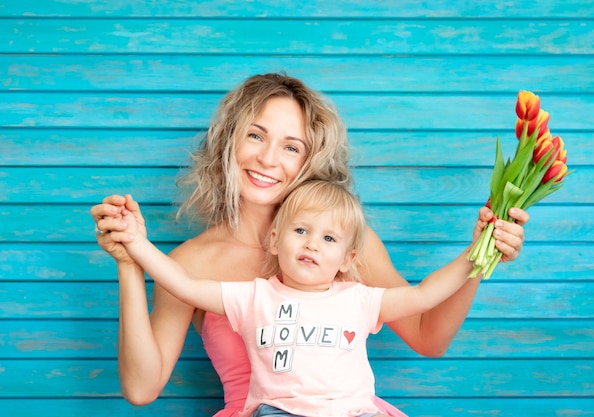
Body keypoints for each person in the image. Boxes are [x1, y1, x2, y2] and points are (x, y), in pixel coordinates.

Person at [91, 73, 529, 416]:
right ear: (229, 142)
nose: (267, 159)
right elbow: (141, 388)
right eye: (256, 135)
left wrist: (482, 257)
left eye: (291, 147)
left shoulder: (344, 246)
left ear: (310, 160)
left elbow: (428, 337)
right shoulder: (189, 262)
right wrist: (130, 262)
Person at [116, 179, 478, 417]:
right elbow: (184, 285)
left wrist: (478, 252)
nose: (312, 244)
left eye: (329, 239)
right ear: (275, 241)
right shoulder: (252, 297)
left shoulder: (360, 299)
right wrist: (135, 246)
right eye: (301, 231)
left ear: (348, 260)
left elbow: (424, 294)